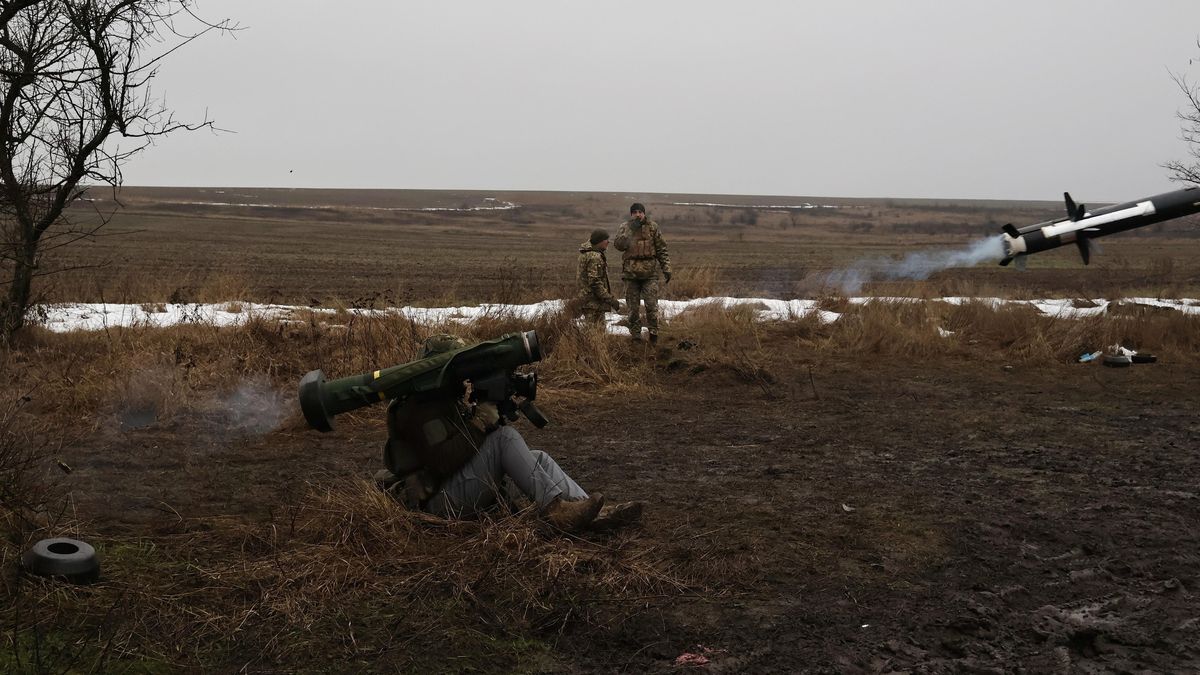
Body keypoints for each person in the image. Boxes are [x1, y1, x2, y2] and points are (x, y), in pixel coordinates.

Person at [376, 334, 643, 532]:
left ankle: (588, 511)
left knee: (537, 457)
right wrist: (481, 424)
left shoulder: (439, 400)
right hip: (438, 504)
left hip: (450, 490)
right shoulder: (418, 408)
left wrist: (485, 415)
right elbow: (444, 461)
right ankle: (556, 511)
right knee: (504, 439)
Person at [613, 202, 671, 343]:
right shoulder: (625, 227)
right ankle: (636, 336)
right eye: (635, 212)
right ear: (631, 214)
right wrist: (630, 231)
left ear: (644, 213)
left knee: (651, 306)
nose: (638, 215)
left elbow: (661, 249)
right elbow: (619, 246)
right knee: (632, 308)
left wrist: (666, 268)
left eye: (640, 212)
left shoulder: (653, 227)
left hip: (649, 273)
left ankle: (653, 334)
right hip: (630, 274)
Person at [576, 228, 621, 324]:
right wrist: (610, 300)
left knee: (592, 333)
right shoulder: (594, 257)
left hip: (588, 301)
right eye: (606, 239)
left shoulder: (585, 254)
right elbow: (595, 282)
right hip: (593, 303)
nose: (608, 242)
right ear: (599, 241)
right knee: (595, 333)